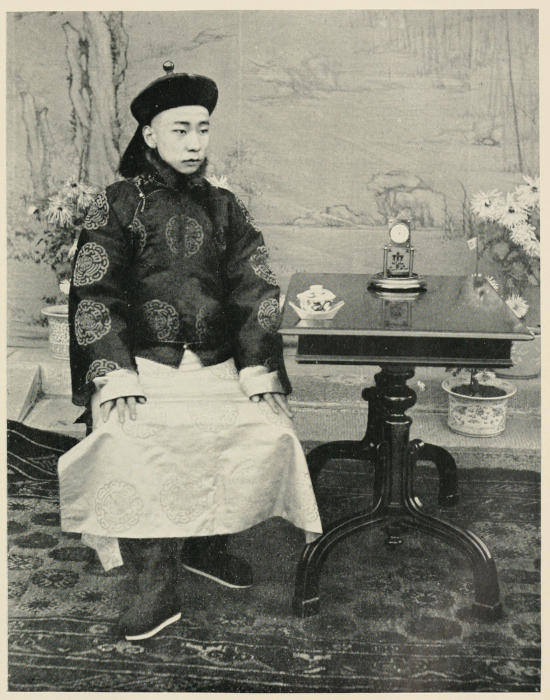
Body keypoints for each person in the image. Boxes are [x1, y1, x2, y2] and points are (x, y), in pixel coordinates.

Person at [57, 62, 322, 642]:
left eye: (203, 129)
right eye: (180, 130)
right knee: (136, 439)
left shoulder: (226, 207)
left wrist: (258, 369)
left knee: (262, 431)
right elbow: (95, 293)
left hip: (218, 361)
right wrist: (115, 374)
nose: (195, 142)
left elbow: (255, 288)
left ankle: (207, 543)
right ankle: (156, 578)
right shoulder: (116, 204)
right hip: (142, 363)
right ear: (150, 134)